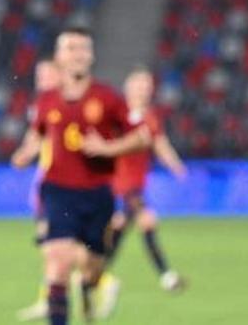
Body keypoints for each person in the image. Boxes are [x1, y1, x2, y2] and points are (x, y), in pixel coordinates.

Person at [12, 27, 152, 325]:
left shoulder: (107, 98)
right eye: (71, 48)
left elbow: (141, 138)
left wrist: (108, 147)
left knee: (92, 267)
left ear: (91, 56)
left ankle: (89, 290)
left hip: (97, 192)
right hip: (57, 189)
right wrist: (25, 152)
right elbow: (37, 135)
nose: (77, 55)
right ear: (59, 57)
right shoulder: (47, 100)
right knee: (58, 262)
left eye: (83, 49)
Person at [101, 66, 188, 302]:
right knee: (146, 221)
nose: (144, 90)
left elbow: (161, 144)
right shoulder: (117, 113)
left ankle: (96, 273)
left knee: (119, 228)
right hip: (119, 183)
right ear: (129, 87)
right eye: (140, 85)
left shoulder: (150, 118)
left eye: (148, 86)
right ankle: (167, 276)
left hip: (136, 185)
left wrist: (176, 165)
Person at [12, 59, 61, 321]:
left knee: (53, 245)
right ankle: (48, 298)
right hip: (46, 181)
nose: (40, 80)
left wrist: (24, 154)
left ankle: (102, 282)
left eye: (46, 75)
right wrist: (25, 153)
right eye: (38, 75)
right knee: (50, 244)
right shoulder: (43, 104)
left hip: (57, 183)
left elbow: (39, 139)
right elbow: (37, 138)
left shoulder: (59, 103)